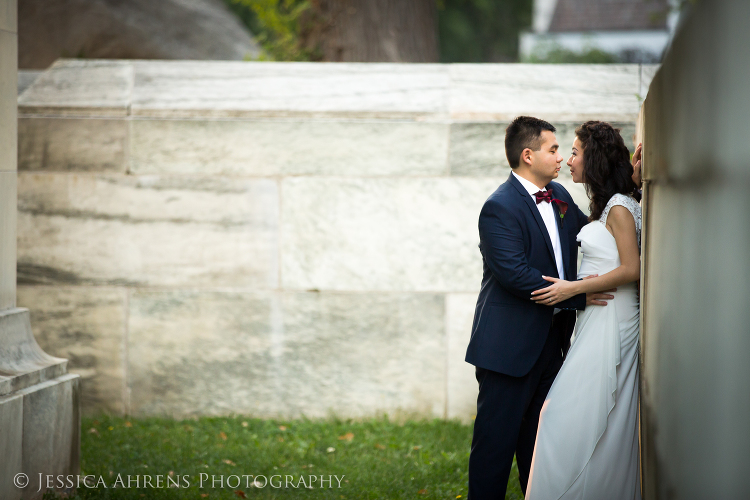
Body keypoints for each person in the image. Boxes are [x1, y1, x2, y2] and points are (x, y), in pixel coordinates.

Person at [464, 116, 615, 499]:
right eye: (553, 149)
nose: (561, 157)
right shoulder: (498, 207)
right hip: (507, 350)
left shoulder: (560, 196)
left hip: (552, 346)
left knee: (541, 448)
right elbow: (515, 274)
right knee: (494, 450)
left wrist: (630, 181)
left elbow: (596, 232)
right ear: (528, 155)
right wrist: (579, 295)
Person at [525, 121, 642, 500]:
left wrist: (572, 289)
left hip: (613, 321)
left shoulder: (620, 207)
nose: (568, 160)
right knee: (589, 419)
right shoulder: (613, 203)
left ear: (593, 159)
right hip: (596, 320)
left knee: (561, 414)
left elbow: (632, 269)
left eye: (574, 152)